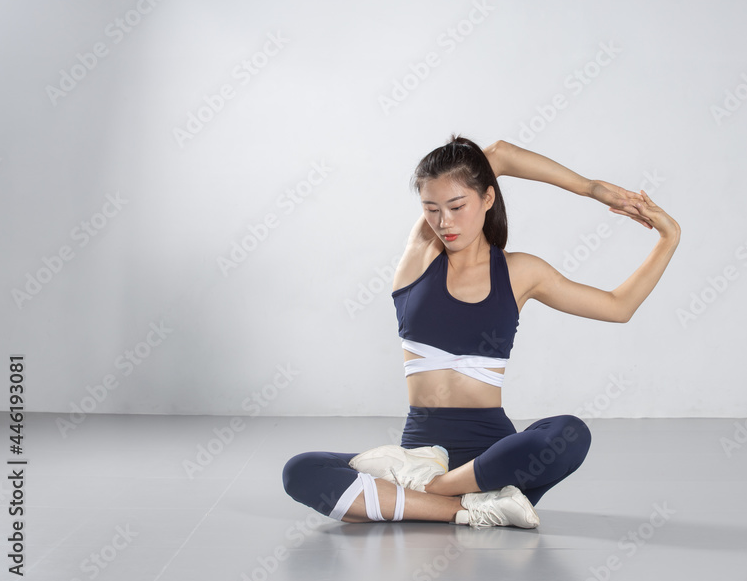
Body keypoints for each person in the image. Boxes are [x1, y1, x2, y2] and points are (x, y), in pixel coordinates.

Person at [282, 135, 680, 528]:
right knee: (301, 470)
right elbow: (497, 158)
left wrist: (657, 230)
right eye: (431, 209)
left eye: (457, 206)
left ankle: (429, 494)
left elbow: (618, 306)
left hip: (492, 459)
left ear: (488, 198)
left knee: (570, 434)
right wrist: (590, 188)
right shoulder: (421, 256)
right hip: (419, 456)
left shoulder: (520, 271)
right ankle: (472, 509)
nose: (444, 222)